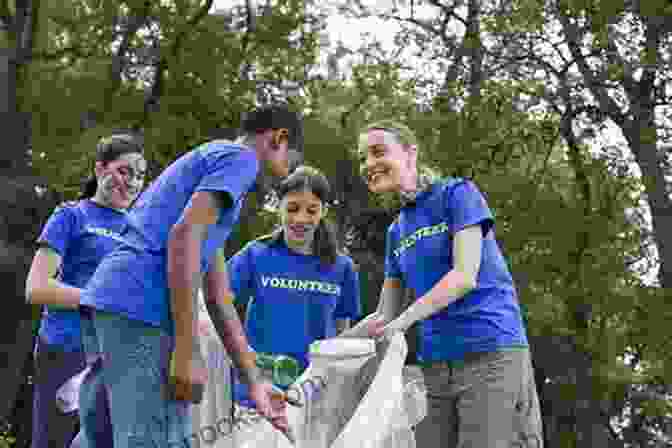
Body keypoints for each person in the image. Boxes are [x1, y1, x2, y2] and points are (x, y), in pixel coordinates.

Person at [77, 104, 304, 448]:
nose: (287, 173)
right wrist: (187, 349)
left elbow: (217, 297)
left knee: (104, 438)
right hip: (143, 307)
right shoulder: (239, 160)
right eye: (293, 161)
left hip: (109, 304)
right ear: (279, 138)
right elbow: (183, 237)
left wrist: (254, 381)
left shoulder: (208, 175)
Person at [344, 120, 544, 447]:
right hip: (436, 367)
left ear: (410, 154)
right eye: (363, 158)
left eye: (378, 152)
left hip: (491, 353)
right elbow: (384, 316)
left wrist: (403, 322)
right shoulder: (397, 231)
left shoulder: (456, 194)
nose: (368, 164)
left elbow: (464, 277)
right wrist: (330, 347)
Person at [25, 134, 146, 448]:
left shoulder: (141, 230)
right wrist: (101, 300)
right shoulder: (72, 215)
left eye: (140, 175)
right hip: (65, 350)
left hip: (117, 361)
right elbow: (36, 287)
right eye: (123, 170)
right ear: (99, 169)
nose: (131, 182)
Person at [227, 165, 361, 407]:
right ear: (279, 206)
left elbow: (341, 337)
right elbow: (216, 305)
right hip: (259, 394)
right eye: (292, 208)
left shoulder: (343, 268)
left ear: (324, 211)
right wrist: (244, 357)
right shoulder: (255, 255)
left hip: (316, 394)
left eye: (311, 210)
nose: (301, 218)